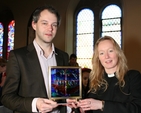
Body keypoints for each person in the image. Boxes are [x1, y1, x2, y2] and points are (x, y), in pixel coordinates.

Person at [1, 5, 69, 113]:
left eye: (54, 25)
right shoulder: (18, 57)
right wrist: (35, 103)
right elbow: (7, 97)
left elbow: (64, 94)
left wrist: (70, 104)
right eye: (44, 23)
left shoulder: (63, 57)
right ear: (34, 25)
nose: (50, 28)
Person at [67, 36, 141, 113]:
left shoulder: (133, 77)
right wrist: (81, 108)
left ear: (118, 53)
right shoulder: (94, 80)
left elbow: (137, 108)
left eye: (110, 51)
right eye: (102, 53)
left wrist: (101, 105)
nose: (106, 56)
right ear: (98, 58)